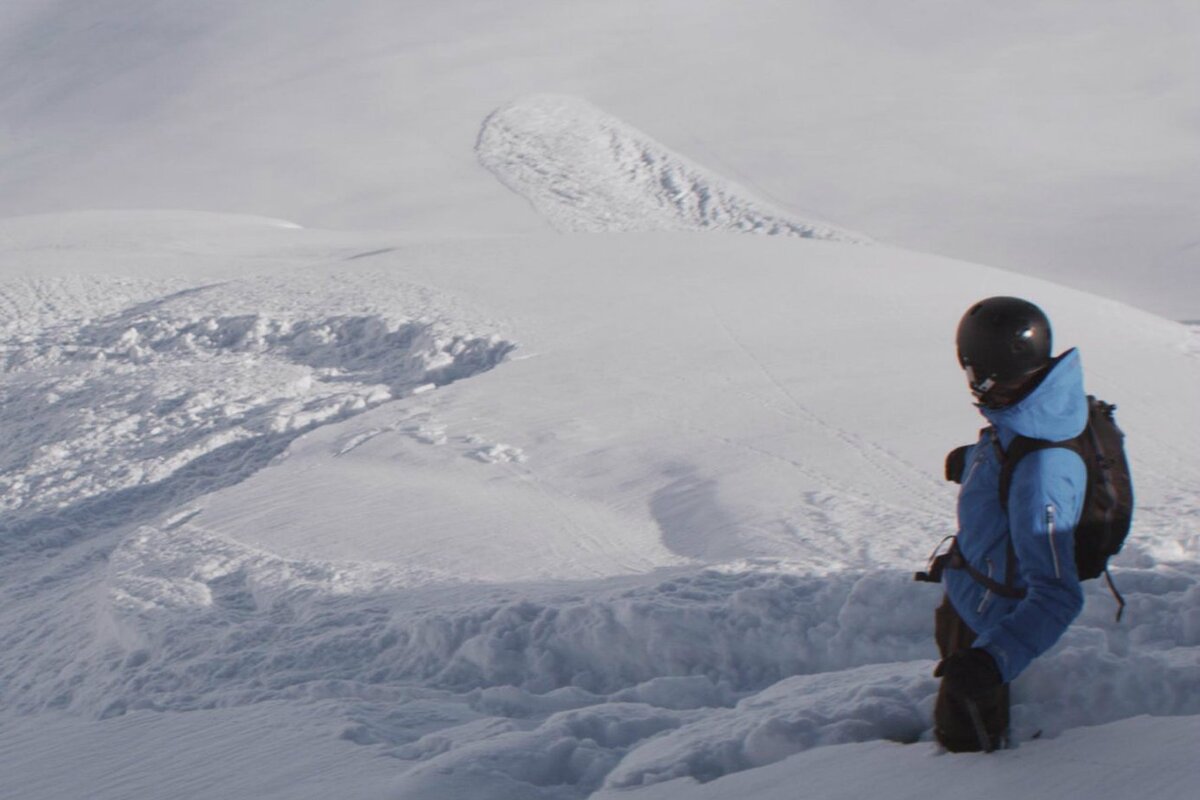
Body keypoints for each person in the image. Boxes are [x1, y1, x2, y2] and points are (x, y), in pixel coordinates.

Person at [932, 296, 1087, 752]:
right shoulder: (1032, 408)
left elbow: (1058, 595)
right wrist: (976, 460)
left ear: (991, 377)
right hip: (972, 596)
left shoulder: (1043, 472)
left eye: (972, 372)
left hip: (989, 627)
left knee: (967, 752)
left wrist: (990, 661)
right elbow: (1014, 455)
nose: (970, 383)